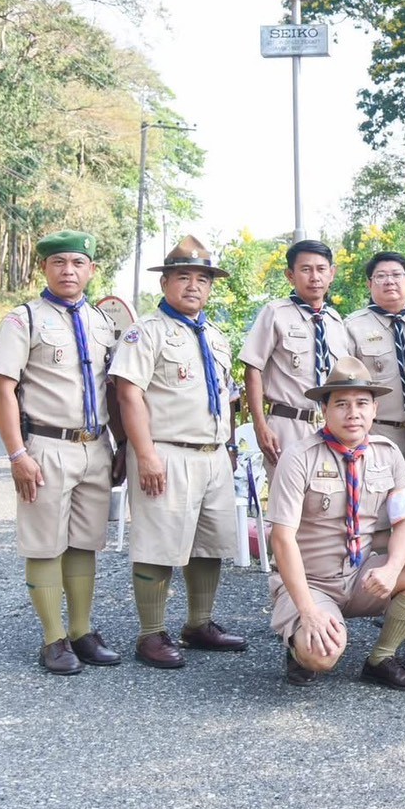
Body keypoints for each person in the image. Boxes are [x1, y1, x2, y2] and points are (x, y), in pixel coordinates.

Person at [0, 229, 123, 674]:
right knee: (44, 544)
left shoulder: (102, 322)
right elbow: (3, 388)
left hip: (95, 446)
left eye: (77, 263)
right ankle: (53, 639)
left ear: (91, 269)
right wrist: (17, 455)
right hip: (45, 446)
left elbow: (112, 389)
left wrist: (119, 444)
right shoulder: (24, 319)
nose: (68, 270)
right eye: (58, 262)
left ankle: (82, 631)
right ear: (43, 267)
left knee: (85, 541)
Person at [110, 236, 246, 668]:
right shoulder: (146, 332)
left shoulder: (215, 336)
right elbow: (128, 394)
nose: (193, 286)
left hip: (212, 454)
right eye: (183, 277)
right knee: (158, 544)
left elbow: (227, 396)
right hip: (166, 451)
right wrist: (145, 454)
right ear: (165, 282)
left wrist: (229, 445)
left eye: (202, 279)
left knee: (209, 542)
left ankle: (198, 624)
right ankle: (151, 634)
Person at [267, 357, 405, 690]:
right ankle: (297, 644)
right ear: (324, 410)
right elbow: (282, 538)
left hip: (361, 577)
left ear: (375, 409)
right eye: (342, 404)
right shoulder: (299, 457)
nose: (353, 413)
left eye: (362, 403)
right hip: (311, 582)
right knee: (321, 654)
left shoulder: (388, 453)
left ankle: (381, 659)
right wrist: (308, 610)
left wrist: (391, 569)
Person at [240, 238, 353, 468]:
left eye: (321, 269)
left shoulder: (334, 321)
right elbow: (253, 369)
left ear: (332, 273)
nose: (315, 277)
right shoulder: (276, 313)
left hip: (332, 426)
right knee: (287, 490)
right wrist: (260, 426)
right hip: (288, 425)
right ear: (290, 275)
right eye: (306, 269)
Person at [345, 251, 405, 481]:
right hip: (377, 433)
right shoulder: (353, 327)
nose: (390, 281)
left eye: (396, 275)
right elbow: (346, 386)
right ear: (369, 284)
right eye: (381, 276)